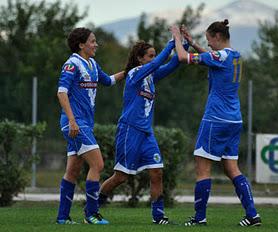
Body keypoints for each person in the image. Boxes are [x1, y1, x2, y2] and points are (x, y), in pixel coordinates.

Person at [170, 21, 262, 227]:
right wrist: (193, 43)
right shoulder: (236, 56)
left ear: (218, 36)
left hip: (216, 119)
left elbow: (182, 58)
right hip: (234, 120)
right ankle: (252, 215)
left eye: (209, 39)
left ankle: (199, 218)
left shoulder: (219, 56)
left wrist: (177, 36)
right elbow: (213, 58)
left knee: (202, 168)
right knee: (232, 169)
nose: (208, 44)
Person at [98, 39, 188, 224]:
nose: (154, 59)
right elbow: (158, 63)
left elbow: (173, 64)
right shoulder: (134, 73)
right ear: (140, 59)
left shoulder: (151, 77)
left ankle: (158, 216)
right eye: (150, 55)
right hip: (129, 130)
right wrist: (171, 43)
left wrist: (183, 44)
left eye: (155, 55)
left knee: (157, 172)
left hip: (146, 133)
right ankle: (92, 208)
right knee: (120, 177)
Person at [56, 27, 124, 225]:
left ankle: (62, 218)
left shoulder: (92, 63)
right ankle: (91, 214)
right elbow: (61, 93)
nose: (96, 44)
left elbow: (109, 81)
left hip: (82, 124)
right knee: (98, 164)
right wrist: (72, 120)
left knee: (73, 170)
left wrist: (130, 69)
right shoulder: (72, 64)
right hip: (75, 124)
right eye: (93, 41)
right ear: (81, 45)